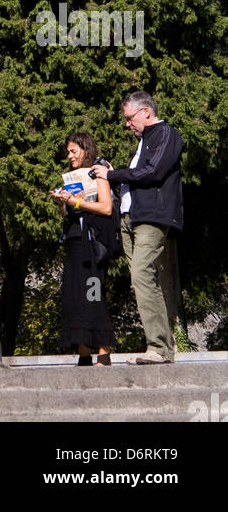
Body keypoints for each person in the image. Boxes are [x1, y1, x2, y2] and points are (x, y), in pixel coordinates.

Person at [91, 91, 183, 363]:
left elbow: (153, 172)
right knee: (142, 280)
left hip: (152, 218)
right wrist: (112, 173)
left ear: (146, 112)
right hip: (131, 219)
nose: (127, 124)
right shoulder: (143, 143)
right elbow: (137, 177)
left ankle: (158, 348)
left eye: (129, 118)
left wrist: (112, 174)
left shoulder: (166, 133)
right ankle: (162, 348)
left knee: (142, 274)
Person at [50, 132, 116, 367]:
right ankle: (83, 351)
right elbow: (70, 214)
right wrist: (63, 203)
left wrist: (77, 201)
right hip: (75, 242)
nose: (70, 156)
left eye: (73, 151)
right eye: (68, 152)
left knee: (93, 294)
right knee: (75, 295)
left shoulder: (99, 171)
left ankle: (104, 352)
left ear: (85, 150)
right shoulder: (71, 177)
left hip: (94, 245)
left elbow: (106, 207)